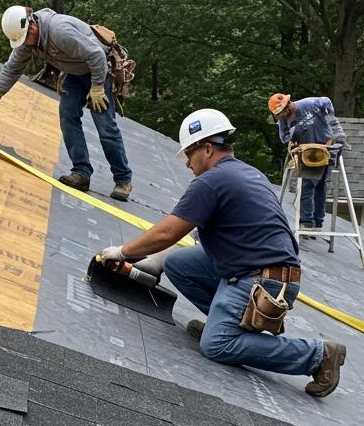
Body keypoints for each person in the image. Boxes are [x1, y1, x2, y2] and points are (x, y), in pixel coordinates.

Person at [99, 108, 346, 397]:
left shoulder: (212, 181)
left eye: (189, 154)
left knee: (216, 345)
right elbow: (202, 237)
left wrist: (123, 252)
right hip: (268, 271)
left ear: (207, 149)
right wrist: (156, 260)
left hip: (262, 280)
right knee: (177, 263)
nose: (187, 163)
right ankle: (228, 324)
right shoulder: (245, 173)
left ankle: (318, 355)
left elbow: (168, 232)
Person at [0, 6, 133, 202]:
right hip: (75, 73)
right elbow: (11, 69)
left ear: (32, 25)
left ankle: (123, 180)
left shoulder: (60, 31)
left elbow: (96, 55)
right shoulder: (27, 40)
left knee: (105, 126)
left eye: (25, 38)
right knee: (68, 116)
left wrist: (97, 87)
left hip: (99, 69)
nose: (24, 43)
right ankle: (81, 173)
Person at [268, 92, 345, 236]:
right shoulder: (284, 120)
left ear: (288, 104)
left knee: (321, 185)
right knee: (307, 185)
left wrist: (333, 127)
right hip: (307, 153)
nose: (283, 116)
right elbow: (284, 138)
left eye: (283, 112)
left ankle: (318, 220)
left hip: (326, 147)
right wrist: (294, 134)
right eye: (279, 114)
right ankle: (306, 220)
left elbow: (327, 102)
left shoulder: (310, 104)